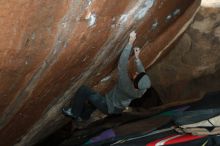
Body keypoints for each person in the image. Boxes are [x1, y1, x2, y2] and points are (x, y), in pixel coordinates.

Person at [62, 31, 151, 121]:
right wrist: (137, 58)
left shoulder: (126, 85)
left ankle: (74, 112)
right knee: (94, 102)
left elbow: (122, 65)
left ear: (135, 83)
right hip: (117, 108)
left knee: (84, 90)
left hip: (108, 106)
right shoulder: (143, 88)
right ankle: (84, 116)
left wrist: (130, 43)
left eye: (136, 75)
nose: (136, 73)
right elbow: (142, 73)